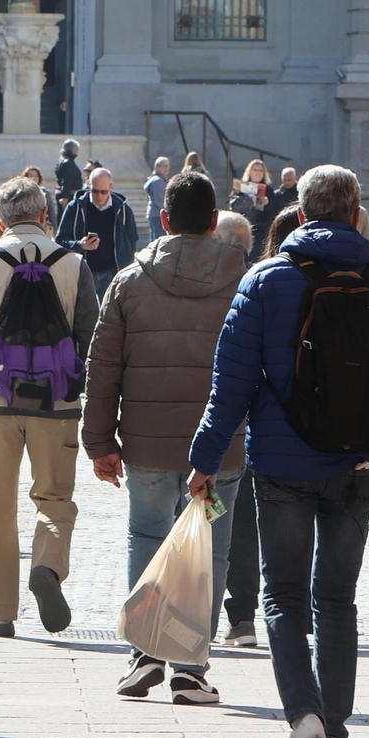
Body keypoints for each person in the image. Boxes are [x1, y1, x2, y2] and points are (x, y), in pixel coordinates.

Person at [188, 164, 369, 738]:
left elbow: (230, 384)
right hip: (358, 462)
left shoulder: (264, 282)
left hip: (282, 461)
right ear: (355, 212)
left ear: (299, 209)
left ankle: (304, 719)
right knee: (337, 598)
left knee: (285, 594)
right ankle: (338, 735)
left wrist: (204, 461)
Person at [83, 171, 248, 704]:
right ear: (215, 221)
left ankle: (145, 655)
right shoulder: (244, 279)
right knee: (213, 552)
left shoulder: (130, 280)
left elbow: (102, 366)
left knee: (148, 538)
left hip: (148, 444)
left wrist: (99, 441)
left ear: (164, 218)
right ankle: (191, 666)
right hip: (220, 453)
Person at [0, 176, 100, 638]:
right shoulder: (73, 264)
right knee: (54, 498)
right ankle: (47, 567)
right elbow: (92, 339)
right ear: (44, 214)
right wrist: (79, 393)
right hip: (58, 404)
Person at [55, 167, 139, 300]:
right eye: (94, 191)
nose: (99, 196)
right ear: (89, 186)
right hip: (83, 273)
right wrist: (79, 244)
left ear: (111, 187)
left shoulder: (122, 209)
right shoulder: (75, 207)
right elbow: (60, 240)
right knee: (86, 316)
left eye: (103, 192)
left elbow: (132, 239)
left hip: (113, 272)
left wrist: (126, 266)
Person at [229, 159, 279, 257]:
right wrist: (247, 201)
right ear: (249, 172)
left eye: (261, 170)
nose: (258, 173)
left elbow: (274, 212)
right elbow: (231, 205)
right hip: (243, 227)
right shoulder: (240, 187)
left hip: (261, 230)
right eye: (255, 170)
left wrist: (266, 204)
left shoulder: (268, 190)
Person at [143, 156, 171, 241]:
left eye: (168, 166)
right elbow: (160, 201)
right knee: (159, 240)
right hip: (158, 215)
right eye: (164, 166)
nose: (167, 168)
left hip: (154, 214)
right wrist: (168, 211)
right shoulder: (157, 181)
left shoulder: (158, 179)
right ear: (157, 167)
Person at [55, 138, 83, 209]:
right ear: (73, 150)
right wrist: (65, 197)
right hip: (69, 196)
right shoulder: (68, 163)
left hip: (66, 194)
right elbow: (67, 180)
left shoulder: (62, 162)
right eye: (77, 149)